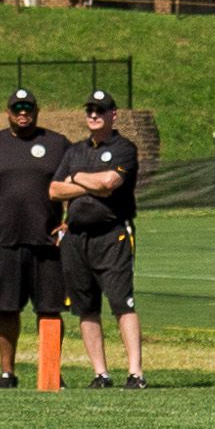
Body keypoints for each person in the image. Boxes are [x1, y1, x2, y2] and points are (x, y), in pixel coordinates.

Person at [0, 88, 68, 390]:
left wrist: (70, 222)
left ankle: (51, 371)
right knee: (7, 309)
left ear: (37, 110)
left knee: (50, 309)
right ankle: (7, 373)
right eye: (17, 108)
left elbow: (78, 181)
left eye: (28, 107)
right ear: (8, 111)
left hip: (47, 244)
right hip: (3, 243)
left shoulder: (57, 144)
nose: (23, 113)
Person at [55, 88, 146, 387]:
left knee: (122, 302)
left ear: (113, 115)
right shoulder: (75, 151)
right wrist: (90, 183)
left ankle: (135, 373)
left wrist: (77, 178)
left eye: (100, 110)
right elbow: (54, 190)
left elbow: (110, 182)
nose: (93, 115)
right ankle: (100, 373)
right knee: (85, 307)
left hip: (112, 234)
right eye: (90, 111)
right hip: (77, 237)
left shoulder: (123, 148)